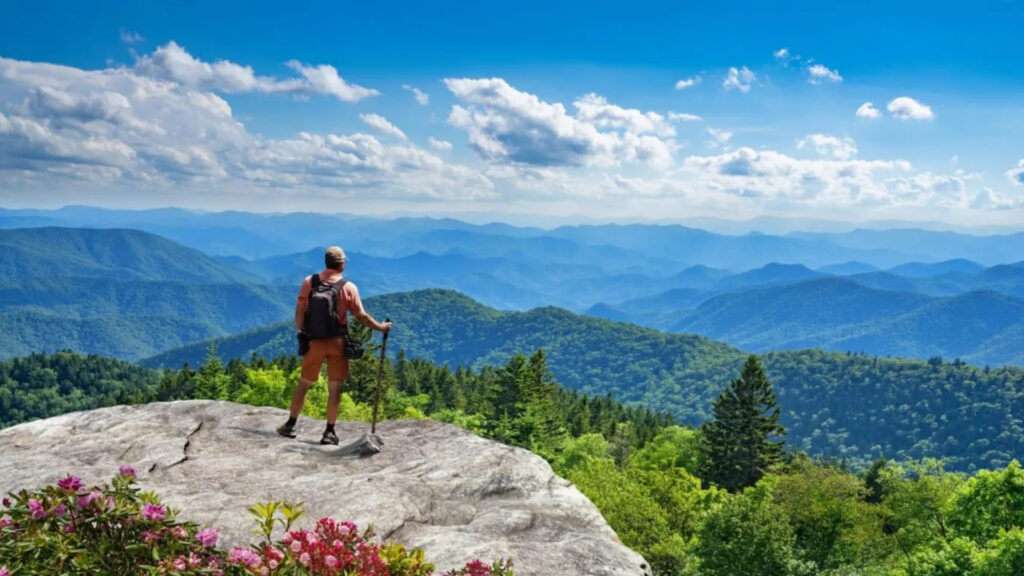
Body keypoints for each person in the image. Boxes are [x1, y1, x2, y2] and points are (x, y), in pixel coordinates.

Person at [276, 246, 391, 445]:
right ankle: (329, 432)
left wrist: (300, 333)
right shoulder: (348, 287)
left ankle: (291, 424)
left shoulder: (309, 282)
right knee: (335, 387)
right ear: (342, 264)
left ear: (326, 262)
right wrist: (380, 327)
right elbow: (361, 316)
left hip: (313, 341)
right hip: (337, 342)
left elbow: (300, 310)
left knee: (304, 382)